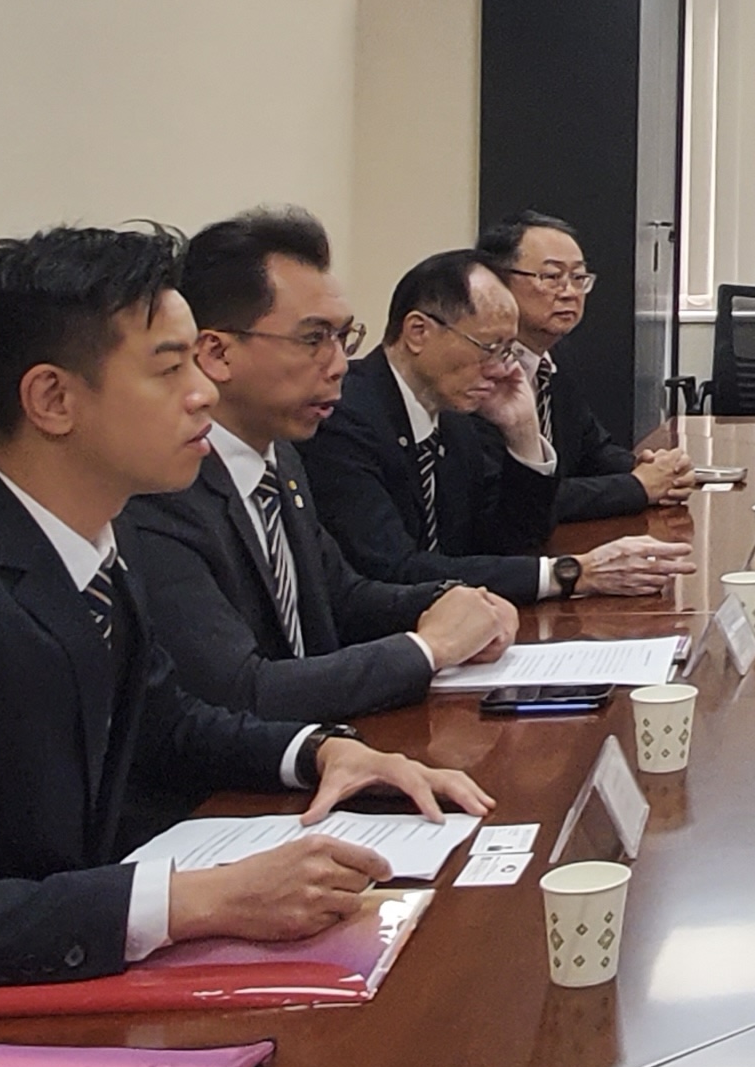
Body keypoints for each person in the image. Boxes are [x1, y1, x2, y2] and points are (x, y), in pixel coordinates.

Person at [0, 226, 494, 1041]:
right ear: (53, 400)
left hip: (48, 995)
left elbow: (166, 722)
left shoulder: (85, 540)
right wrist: (196, 899)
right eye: (169, 369)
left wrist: (319, 751)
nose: (203, 391)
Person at [125, 209, 517, 725]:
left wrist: (456, 600)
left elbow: (341, 597)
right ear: (216, 353)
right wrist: (430, 649)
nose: (339, 365)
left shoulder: (281, 457)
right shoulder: (164, 487)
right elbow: (242, 691)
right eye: (314, 339)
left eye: (342, 338)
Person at [310, 250, 693, 605]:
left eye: (507, 350)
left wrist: (523, 435)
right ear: (418, 332)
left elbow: (512, 541)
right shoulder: (343, 417)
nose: (499, 369)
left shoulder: (455, 415)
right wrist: (572, 573)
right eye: (488, 347)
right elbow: (394, 569)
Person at [478, 210, 696, 523]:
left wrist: (655, 469)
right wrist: (637, 486)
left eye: (578, 278)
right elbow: (517, 498)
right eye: (551, 277)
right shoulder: (481, 371)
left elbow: (593, 450)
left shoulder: (557, 357)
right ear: (498, 282)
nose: (569, 292)